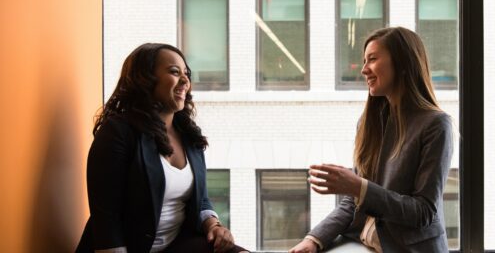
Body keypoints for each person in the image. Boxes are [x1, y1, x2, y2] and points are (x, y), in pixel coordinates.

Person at [289, 27, 454, 253]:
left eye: (373, 59)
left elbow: (423, 212)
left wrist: (359, 187)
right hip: (363, 245)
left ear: (403, 63)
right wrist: (313, 239)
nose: (364, 70)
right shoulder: (369, 123)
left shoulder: (436, 125)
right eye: (364, 61)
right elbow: (353, 202)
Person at [76, 43, 248, 253]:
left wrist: (213, 225)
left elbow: (200, 199)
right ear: (145, 79)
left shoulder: (188, 135)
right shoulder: (118, 132)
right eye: (175, 72)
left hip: (176, 245)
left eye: (187, 74)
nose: (185, 80)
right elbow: (106, 216)